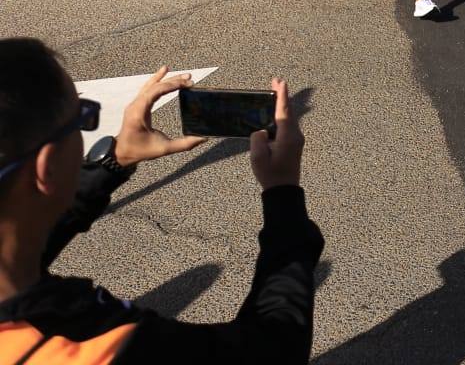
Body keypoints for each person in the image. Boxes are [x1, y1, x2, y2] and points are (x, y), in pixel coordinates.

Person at [0, 40, 321, 362]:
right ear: (47, 166)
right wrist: (283, 193)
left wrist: (116, 159)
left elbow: (30, 227)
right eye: (83, 118)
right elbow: (274, 349)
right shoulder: (98, 347)